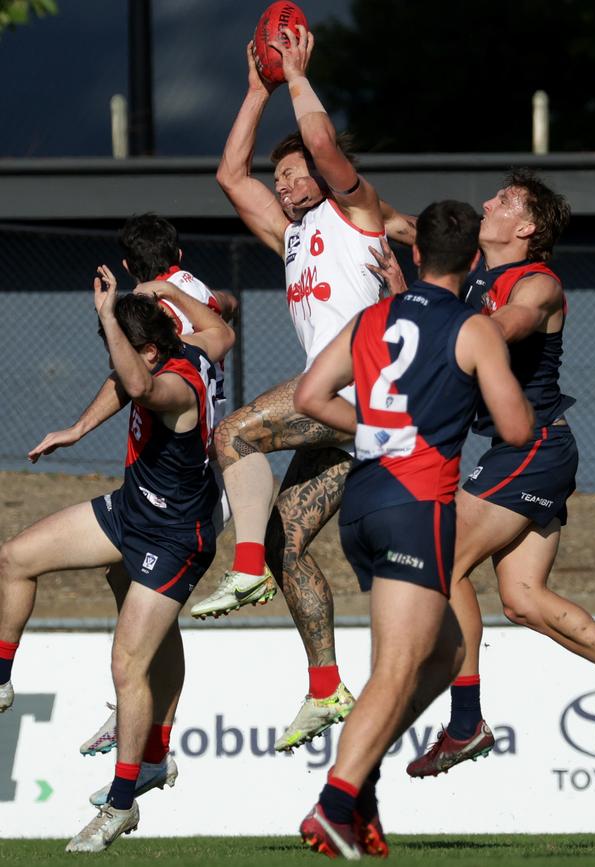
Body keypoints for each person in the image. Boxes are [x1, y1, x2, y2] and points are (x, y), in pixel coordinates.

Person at [372, 171, 595, 780]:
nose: (487, 203)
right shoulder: (473, 275)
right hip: (526, 453)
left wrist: (447, 333)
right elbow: (387, 216)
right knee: (523, 600)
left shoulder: (536, 281)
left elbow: (515, 322)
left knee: (437, 557)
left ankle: (466, 720)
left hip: (535, 450)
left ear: (524, 228)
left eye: (502, 201)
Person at [190, 25, 415, 752]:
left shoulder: (356, 214)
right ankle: (326, 687)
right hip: (348, 417)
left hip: (361, 391)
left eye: (294, 174)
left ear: (325, 177)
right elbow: (230, 176)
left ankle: (244, 566)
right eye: (279, 176)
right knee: (288, 539)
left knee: (231, 433)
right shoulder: (289, 235)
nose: (284, 182)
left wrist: (294, 77)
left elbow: (322, 150)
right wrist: (257, 90)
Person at [292, 200, 534, 857]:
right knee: (399, 665)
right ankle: (336, 801)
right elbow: (515, 430)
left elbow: (310, 396)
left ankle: (358, 788)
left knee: (446, 651)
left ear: (417, 254)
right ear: (474, 261)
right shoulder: (473, 327)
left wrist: (375, 426)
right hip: (416, 504)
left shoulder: (372, 317)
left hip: (362, 505)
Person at [0, 266, 233, 852]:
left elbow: (143, 388)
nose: (115, 360)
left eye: (123, 350)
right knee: (14, 558)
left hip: (175, 538)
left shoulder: (174, 388)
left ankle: (121, 805)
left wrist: (109, 316)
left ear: (150, 351)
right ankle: (2, 681)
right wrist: (78, 428)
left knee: (128, 666)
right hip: (131, 510)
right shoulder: (197, 343)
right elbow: (218, 329)